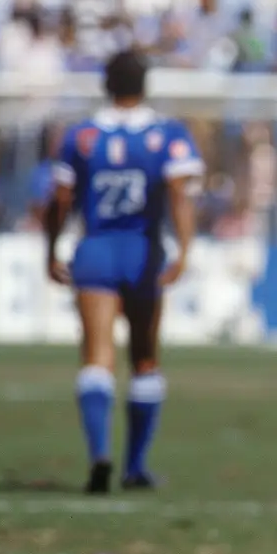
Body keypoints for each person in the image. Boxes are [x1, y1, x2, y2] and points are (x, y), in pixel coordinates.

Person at [43, 52, 202, 494]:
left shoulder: (82, 135)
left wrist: (51, 250)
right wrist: (184, 251)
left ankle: (99, 455)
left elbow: (58, 199)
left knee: (97, 357)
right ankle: (134, 467)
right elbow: (180, 195)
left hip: (94, 250)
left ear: (105, 85)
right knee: (145, 359)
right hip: (142, 252)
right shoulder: (166, 133)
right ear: (145, 84)